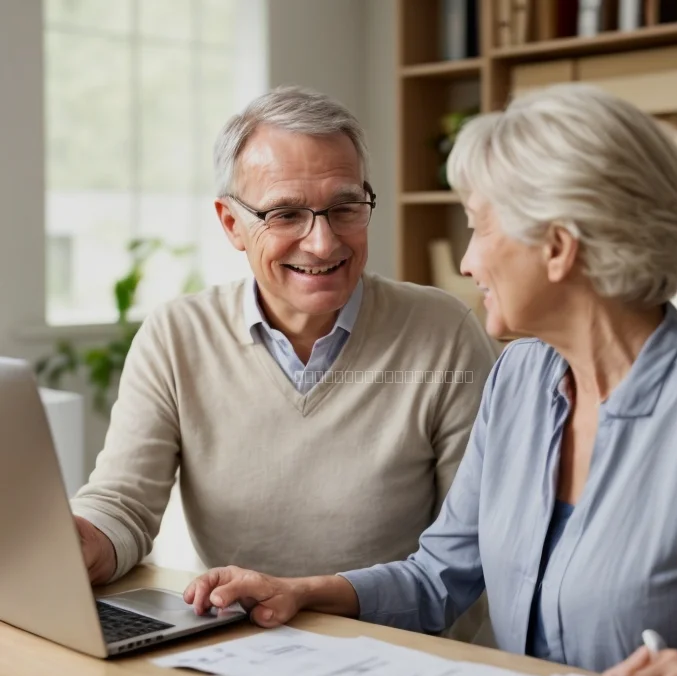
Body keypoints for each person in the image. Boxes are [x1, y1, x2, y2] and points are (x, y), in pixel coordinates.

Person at [184, 83, 677, 676]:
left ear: (557, 246)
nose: (466, 263)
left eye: (479, 228)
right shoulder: (519, 379)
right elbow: (440, 577)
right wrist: (299, 591)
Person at [71, 85, 497, 644]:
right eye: (285, 214)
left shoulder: (442, 333)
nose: (322, 243)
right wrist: (82, 542)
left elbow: (468, 558)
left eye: (345, 207)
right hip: (234, 649)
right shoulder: (177, 335)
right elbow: (122, 504)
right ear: (231, 225)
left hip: (400, 653)